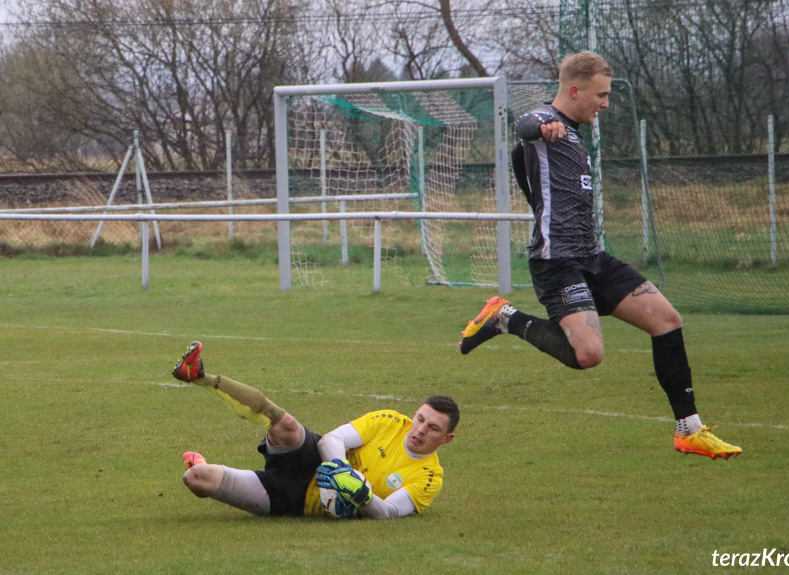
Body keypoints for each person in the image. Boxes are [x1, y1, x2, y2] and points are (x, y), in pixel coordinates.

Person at [459, 50, 741, 460]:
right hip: (558, 261)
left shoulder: (574, 135)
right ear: (575, 90)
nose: (605, 103)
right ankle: (506, 318)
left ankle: (689, 430)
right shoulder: (544, 123)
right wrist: (545, 126)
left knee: (667, 320)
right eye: (601, 94)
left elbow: (527, 166)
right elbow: (523, 126)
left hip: (593, 256)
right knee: (588, 355)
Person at [172, 341, 458, 519]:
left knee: (197, 478)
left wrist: (361, 495)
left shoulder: (429, 477)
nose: (420, 429)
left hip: (292, 501)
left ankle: (203, 464)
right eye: (420, 419)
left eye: (432, 428)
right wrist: (341, 470)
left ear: (446, 439)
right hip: (310, 459)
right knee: (285, 424)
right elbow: (332, 440)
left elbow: (390, 512)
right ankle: (200, 376)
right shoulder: (390, 422)